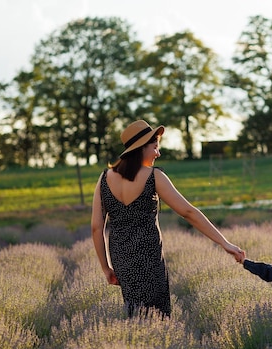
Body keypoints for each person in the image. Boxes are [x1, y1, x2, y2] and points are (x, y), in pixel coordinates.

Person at [91, 120, 244, 317]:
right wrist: (225, 243)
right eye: (155, 147)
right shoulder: (154, 176)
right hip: (149, 258)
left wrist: (106, 268)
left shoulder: (104, 178)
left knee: (135, 315)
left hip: (122, 260)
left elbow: (96, 228)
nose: (158, 153)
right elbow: (188, 212)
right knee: (158, 317)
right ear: (141, 148)